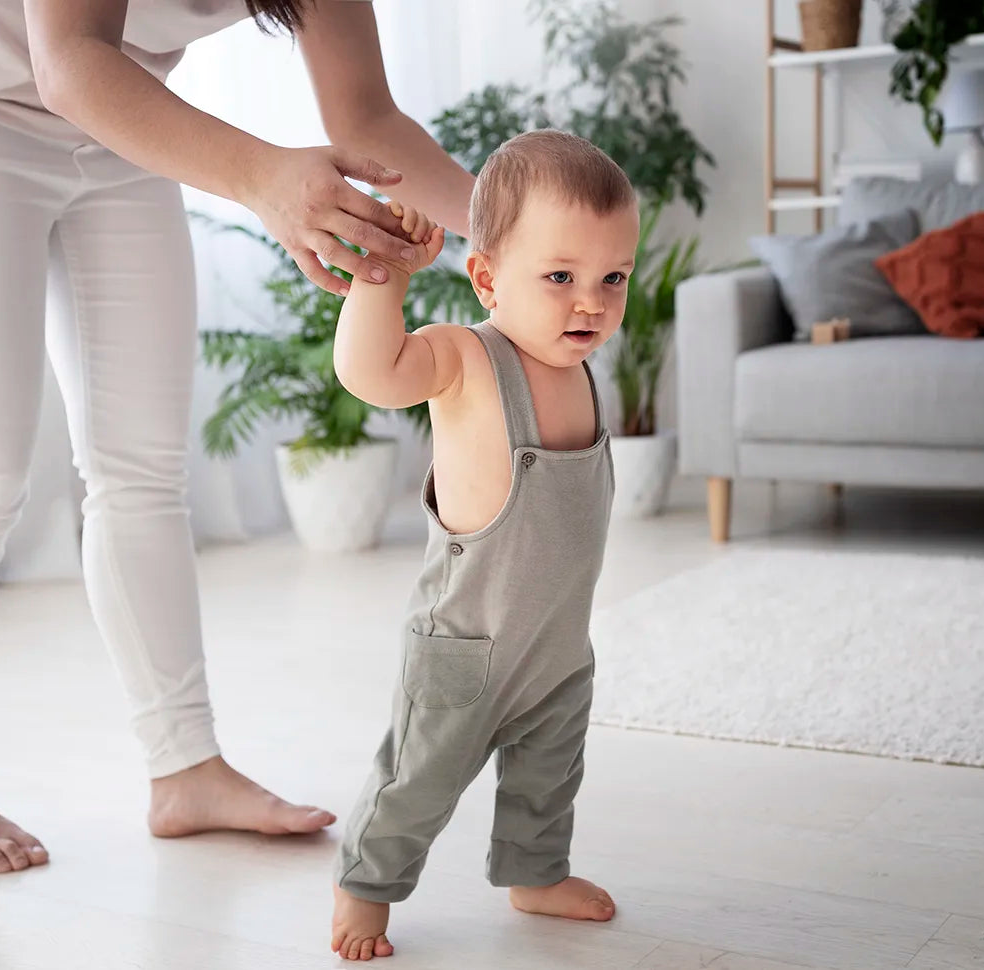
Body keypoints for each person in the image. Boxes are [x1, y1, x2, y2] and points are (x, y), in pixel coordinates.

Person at [0, 0, 475, 877]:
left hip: (118, 124)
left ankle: (186, 769)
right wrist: (266, 179)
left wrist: (523, 230)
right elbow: (68, 58)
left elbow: (367, 119)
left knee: (143, 470)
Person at [326, 129, 637, 961]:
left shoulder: (580, 370)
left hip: (558, 648)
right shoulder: (468, 359)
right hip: (466, 648)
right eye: (562, 277)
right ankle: (366, 883)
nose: (591, 302)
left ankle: (535, 873)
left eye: (614, 278)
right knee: (419, 779)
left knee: (548, 778)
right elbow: (372, 372)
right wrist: (378, 281)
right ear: (489, 276)